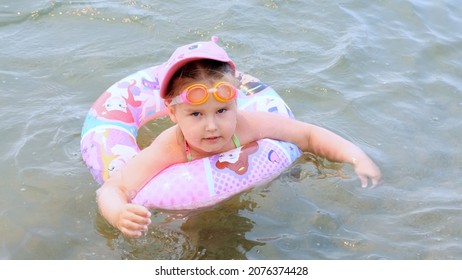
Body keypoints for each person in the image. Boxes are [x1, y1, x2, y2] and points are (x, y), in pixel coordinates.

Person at [97, 37, 382, 237]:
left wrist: (356, 157)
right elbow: (113, 188)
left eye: (222, 110)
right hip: (191, 205)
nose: (212, 126)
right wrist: (119, 214)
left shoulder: (247, 125)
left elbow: (307, 134)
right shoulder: (170, 147)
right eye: (196, 114)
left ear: (236, 103)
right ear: (172, 114)